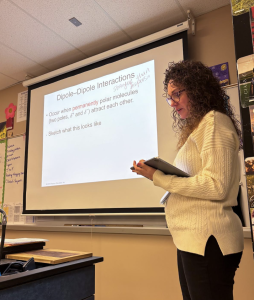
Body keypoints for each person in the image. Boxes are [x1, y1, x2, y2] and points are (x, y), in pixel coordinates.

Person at [132, 60, 244, 300]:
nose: (172, 103)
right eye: (169, 97)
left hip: (210, 241)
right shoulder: (199, 127)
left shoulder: (214, 122)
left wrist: (159, 177)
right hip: (193, 241)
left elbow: (216, 186)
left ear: (197, 89)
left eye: (177, 94)